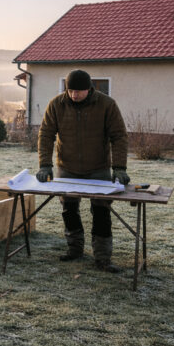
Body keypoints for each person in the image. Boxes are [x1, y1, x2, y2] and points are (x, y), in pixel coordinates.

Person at [36, 69, 129, 273]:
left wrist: (119, 168)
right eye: (70, 91)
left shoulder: (106, 105)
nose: (74, 95)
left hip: (98, 168)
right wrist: (45, 165)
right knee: (69, 210)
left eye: (79, 91)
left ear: (89, 89)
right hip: (67, 167)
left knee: (101, 211)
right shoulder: (56, 105)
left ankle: (103, 258)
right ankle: (75, 249)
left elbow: (119, 137)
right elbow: (46, 135)